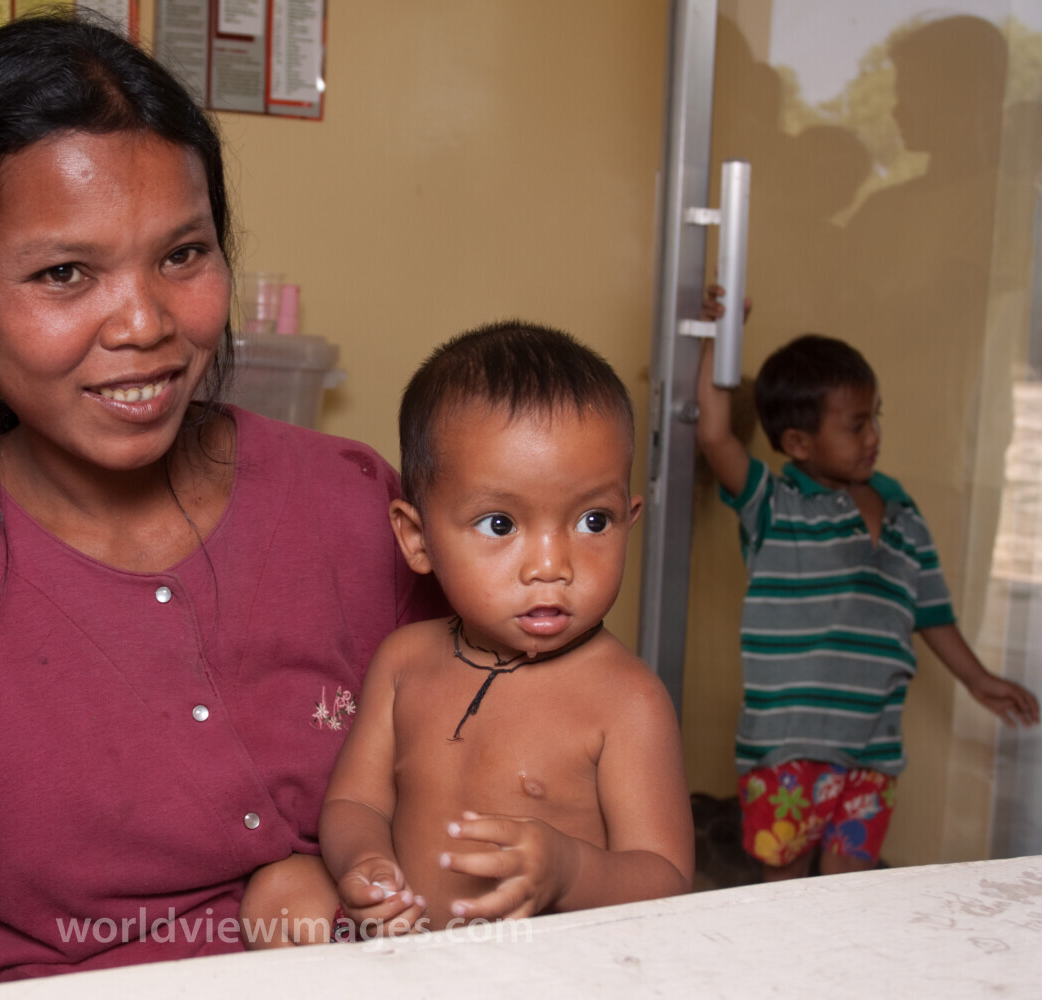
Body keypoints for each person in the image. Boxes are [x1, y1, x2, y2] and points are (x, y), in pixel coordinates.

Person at [0, 12, 443, 997]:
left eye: (182, 255)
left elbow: (509, 770)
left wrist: (368, 879)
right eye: (65, 273)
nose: (145, 324)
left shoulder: (351, 506)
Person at [240, 323, 695, 946]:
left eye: (594, 520)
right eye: (501, 523)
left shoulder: (627, 700)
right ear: (417, 539)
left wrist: (570, 872)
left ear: (630, 520)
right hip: (410, 960)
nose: (550, 565)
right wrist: (365, 866)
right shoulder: (405, 663)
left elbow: (666, 879)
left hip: (555, 972)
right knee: (277, 898)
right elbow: (357, 805)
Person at [695, 331, 1040, 882]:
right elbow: (714, 435)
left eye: (874, 417)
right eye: (856, 425)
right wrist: (721, 332)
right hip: (788, 748)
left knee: (851, 888)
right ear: (799, 443)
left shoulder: (905, 513)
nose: (873, 436)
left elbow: (931, 612)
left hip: (875, 748)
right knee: (781, 886)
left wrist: (978, 679)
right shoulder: (775, 507)